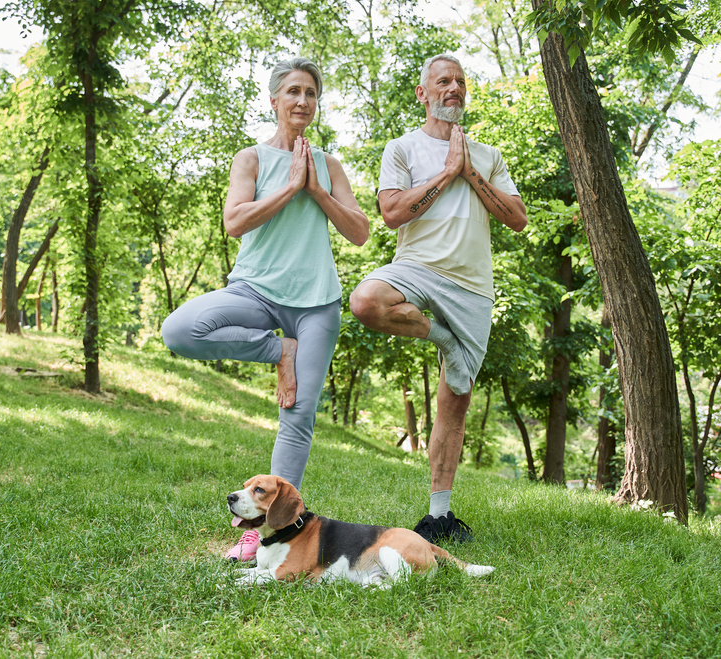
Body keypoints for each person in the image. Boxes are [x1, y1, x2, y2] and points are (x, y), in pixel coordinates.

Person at [162, 57, 369, 562]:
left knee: (296, 417)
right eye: (293, 91)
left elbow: (360, 233)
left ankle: (261, 539)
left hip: (316, 301)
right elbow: (235, 222)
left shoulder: (330, 165)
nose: (302, 101)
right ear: (274, 100)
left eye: (311, 94)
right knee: (180, 330)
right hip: (254, 291)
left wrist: (315, 187)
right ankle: (280, 349)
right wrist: (289, 188)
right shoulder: (250, 158)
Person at [349, 54, 527, 544]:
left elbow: (516, 218)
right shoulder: (402, 148)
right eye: (443, 81)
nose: (454, 88)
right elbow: (391, 213)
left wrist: (470, 172)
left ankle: (440, 516)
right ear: (422, 92)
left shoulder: (487, 155)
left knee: (456, 400)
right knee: (366, 301)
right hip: (418, 268)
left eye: (461, 82)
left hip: (472, 286)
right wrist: (446, 174)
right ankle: (444, 339)